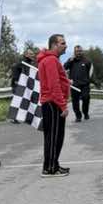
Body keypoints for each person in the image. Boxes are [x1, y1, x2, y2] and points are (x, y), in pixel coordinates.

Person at [37, 34, 71, 176]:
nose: (65, 46)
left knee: (56, 136)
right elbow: (53, 85)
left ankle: (54, 164)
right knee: (53, 136)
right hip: (52, 103)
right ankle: (50, 168)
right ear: (54, 45)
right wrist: (62, 106)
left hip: (51, 101)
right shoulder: (51, 60)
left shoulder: (51, 60)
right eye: (62, 43)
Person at [65, 45, 93, 122]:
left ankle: (85, 112)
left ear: (82, 51)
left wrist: (90, 81)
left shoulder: (87, 61)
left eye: (80, 51)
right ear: (74, 52)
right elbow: (64, 68)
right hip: (74, 85)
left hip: (85, 85)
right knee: (75, 102)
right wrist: (70, 60)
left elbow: (91, 72)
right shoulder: (71, 61)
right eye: (77, 51)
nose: (78, 53)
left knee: (86, 98)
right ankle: (78, 116)